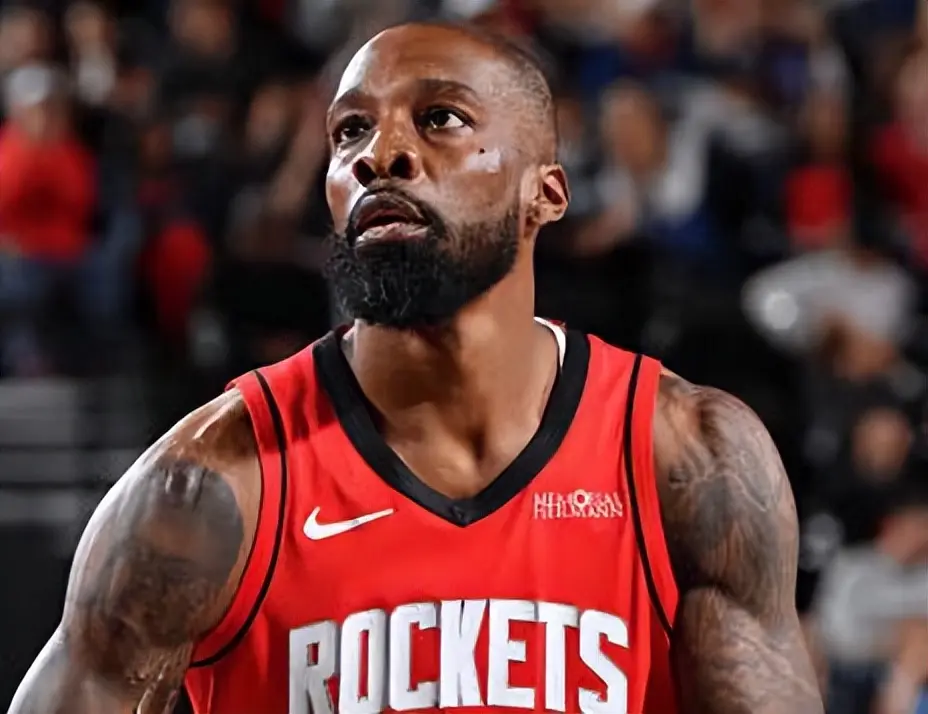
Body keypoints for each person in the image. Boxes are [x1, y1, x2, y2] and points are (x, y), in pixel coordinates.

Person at [8, 22, 823, 714]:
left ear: (546, 194)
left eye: (440, 119)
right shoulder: (213, 484)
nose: (381, 153)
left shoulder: (689, 458)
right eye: (349, 132)